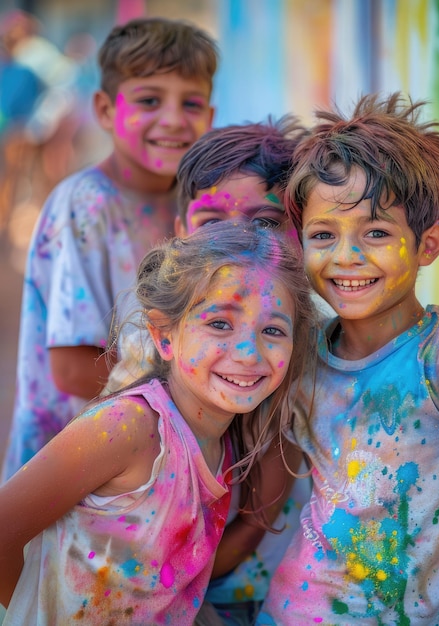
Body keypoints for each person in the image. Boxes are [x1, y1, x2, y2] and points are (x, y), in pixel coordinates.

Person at [257, 93, 439, 625]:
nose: (347, 257)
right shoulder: (299, 357)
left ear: (428, 244)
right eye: (324, 235)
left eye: (376, 233)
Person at [0, 221, 318, 625]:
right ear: (164, 336)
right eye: (219, 323)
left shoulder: (222, 447)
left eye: (273, 330)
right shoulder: (129, 427)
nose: (247, 352)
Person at [106, 117, 317, 626]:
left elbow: (253, 526)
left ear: (301, 232)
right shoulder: (150, 351)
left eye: (264, 223)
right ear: (180, 236)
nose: (238, 242)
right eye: (213, 223)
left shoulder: (316, 353)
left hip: (263, 597)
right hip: (147, 591)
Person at [1, 17, 218, 481]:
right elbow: (72, 369)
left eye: (191, 103)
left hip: (155, 458)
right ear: (104, 110)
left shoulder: (200, 205)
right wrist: (200, 390)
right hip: (72, 472)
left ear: (210, 117)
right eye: (149, 100)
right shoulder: (84, 206)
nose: (173, 119)